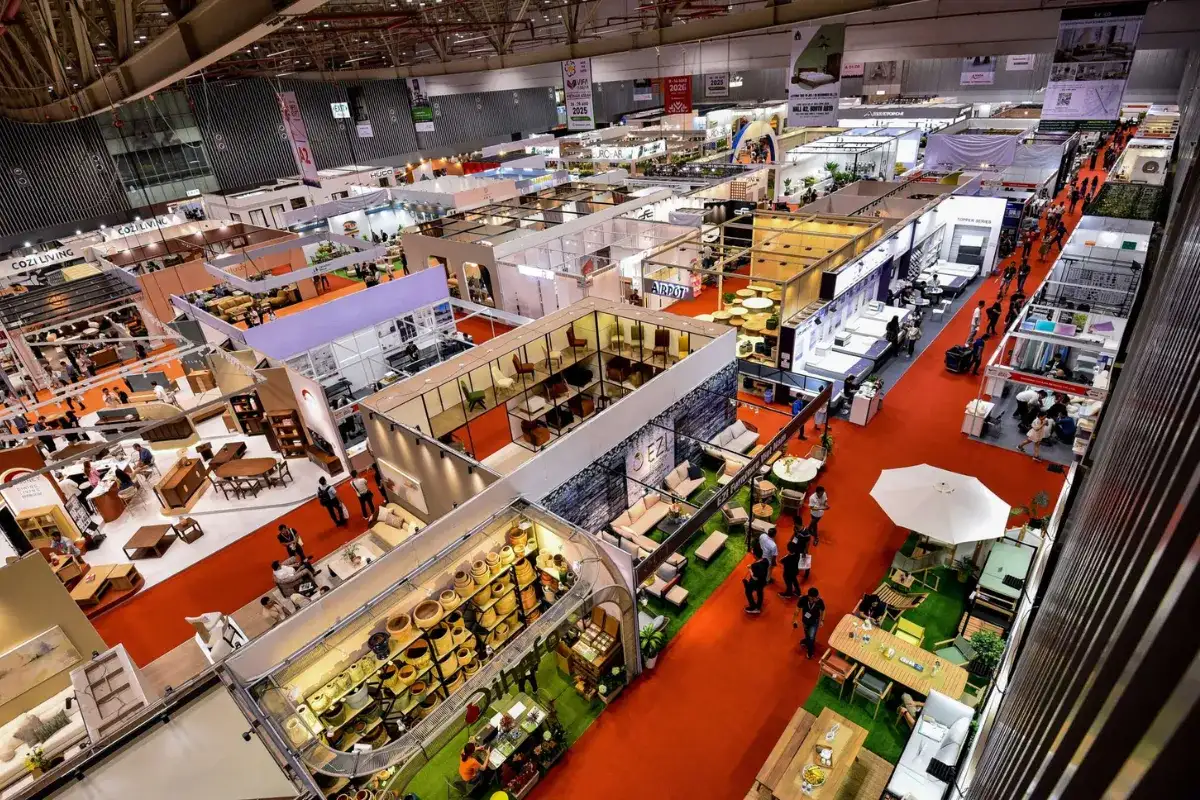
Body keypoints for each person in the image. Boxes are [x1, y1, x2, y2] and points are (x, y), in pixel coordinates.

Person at [791, 587, 826, 659]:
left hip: (814, 621)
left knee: (811, 637)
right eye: (813, 598)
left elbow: (823, 610)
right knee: (806, 632)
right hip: (805, 620)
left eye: (816, 598)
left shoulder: (819, 601)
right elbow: (797, 610)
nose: (815, 600)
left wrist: (822, 620)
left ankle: (810, 652)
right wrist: (794, 619)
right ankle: (807, 641)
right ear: (809, 596)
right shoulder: (803, 599)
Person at [743, 543, 769, 614]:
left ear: (755, 555)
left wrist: (750, 569)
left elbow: (754, 577)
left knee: (748, 592)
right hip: (763, 581)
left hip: (756, 582)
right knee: (760, 592)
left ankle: (753, 607)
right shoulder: (765, 560)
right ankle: (758, 606)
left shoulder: (755, 566)